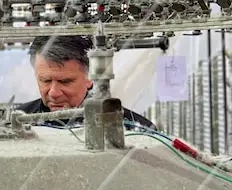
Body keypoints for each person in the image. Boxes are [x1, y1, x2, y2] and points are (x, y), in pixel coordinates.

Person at [17, 35, 156, 129]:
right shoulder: (18, 122)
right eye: (45, 80)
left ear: (90, 77)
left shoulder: (132, 128)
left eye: (65, 81)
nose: (53, 93)